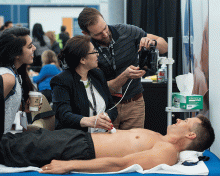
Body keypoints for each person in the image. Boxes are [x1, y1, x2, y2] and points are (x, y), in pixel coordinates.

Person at [0, 114, 215, 174]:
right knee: (21, 140)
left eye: (185, 122)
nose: (178, 120)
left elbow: (122, 164)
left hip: (80, 150)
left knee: (12, 149)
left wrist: (69, 165)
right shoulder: (158, 137)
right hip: (80, 139)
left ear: (191, 136)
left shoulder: (167, 151)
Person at [78, 7, 168, 130]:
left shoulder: (127, 31)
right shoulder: (87, 50)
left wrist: (152, 43)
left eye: (105, 28)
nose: (105, 34)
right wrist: (125, 75)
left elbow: (165, 47)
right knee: (110, 147)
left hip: (134, 103)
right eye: (98, 34)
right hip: (105, 108)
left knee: (136, 146)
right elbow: (103, 88)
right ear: (86, 33)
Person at [50, 35, 118, 132]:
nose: (97, 54)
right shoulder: (61, 80)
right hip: (77, 138)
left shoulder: (98, 75)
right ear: (82, 60)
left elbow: (112, 107)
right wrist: (89, 121)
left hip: (102, 134)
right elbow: (63, 115)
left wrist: (106, 116)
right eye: (94, 51)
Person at [0, 27, 36, 133]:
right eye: (29, 47)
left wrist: (21, 107)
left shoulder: (15, 73)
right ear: (16, 54)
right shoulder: (8, 78)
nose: (34, 48)